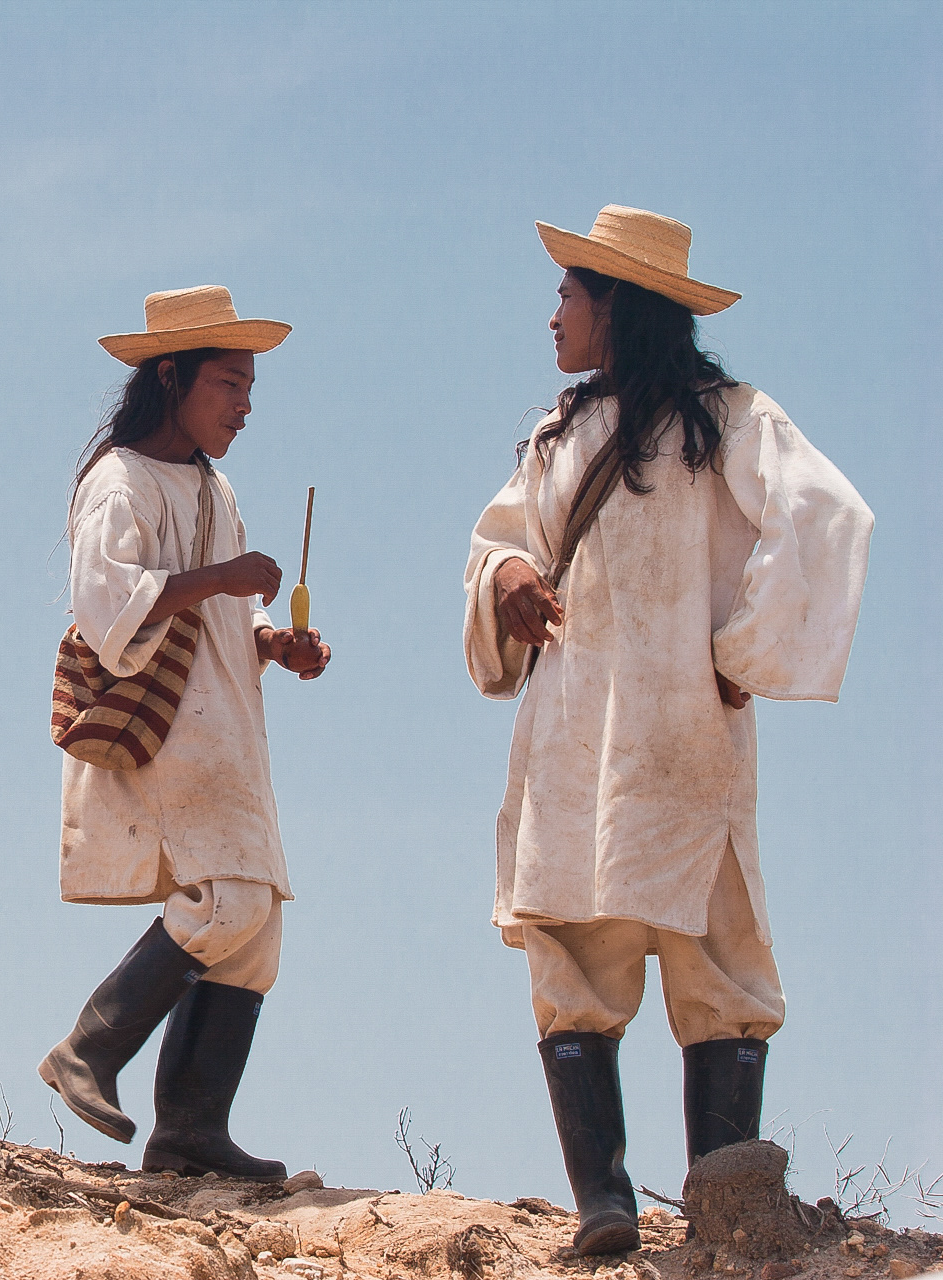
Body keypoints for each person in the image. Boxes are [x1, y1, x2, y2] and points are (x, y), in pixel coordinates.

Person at [464, 206, 873, 1255]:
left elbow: (827, 513)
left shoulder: (727, 418)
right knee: (580, 956)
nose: (552, 312)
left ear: (618, 305)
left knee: (714, 971)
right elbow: (499, 542)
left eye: (569, 292)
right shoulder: (557, 436)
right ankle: (604, 1205)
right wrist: (506, 576)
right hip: (577, 740)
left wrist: (744, 654)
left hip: (680, 733)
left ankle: (717, 1214)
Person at [40, 287, 330, 1182]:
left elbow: (226, 622)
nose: (245, 405)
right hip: (169, 735)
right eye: (228, 385)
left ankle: (190, 1133)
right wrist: (223, 576)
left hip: (228, 731)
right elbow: (105, 610)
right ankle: (89, 1047)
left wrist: (276, 641)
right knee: (223, 902)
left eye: (248, 388)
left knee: (255, 930)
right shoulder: (117, 482)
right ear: (172, 379)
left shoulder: (213, 485)